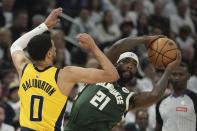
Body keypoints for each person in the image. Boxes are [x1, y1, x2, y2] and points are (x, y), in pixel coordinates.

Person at [10, 8, 119, 131]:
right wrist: (93, 47)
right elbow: (113, 75)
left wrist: (44, 26)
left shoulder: (23, 68)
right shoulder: (65, 75)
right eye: (53, 47)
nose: (56, 49)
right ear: (49, 54)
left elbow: (16, 46)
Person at [64, 35, 182, 131]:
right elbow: (117, 47)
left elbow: (154, 95)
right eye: (126, 62)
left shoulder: (129, 98)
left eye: (134, 65)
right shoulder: (99, 74)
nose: (130, 66)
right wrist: (146, 39)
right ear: (115, 64)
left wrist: (168, 70)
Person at [155, 62, 197, 131]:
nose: (177, 77)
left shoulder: (195, 100)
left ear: (188, 76)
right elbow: (158, 128)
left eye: (181, 74)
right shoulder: (161, 103)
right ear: (169, 77)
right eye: (174, 74)